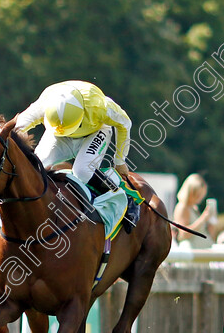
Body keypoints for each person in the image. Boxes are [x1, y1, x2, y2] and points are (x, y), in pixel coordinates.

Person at [15, 80, 141, 226]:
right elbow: (16, 128)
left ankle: (124, 198)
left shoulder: (101, 107)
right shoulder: (44, 103)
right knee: (36, 167)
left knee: (82, 171)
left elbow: (125, 123)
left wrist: (120, 160)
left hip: (95, 131)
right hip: (58, 133)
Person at [173, 173, 215, 249]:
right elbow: (183, 234)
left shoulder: (194, 207)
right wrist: (203, 218)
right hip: (191, 252)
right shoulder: (182, 207)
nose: (199, 198)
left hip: (202, 251)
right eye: (197, 195)